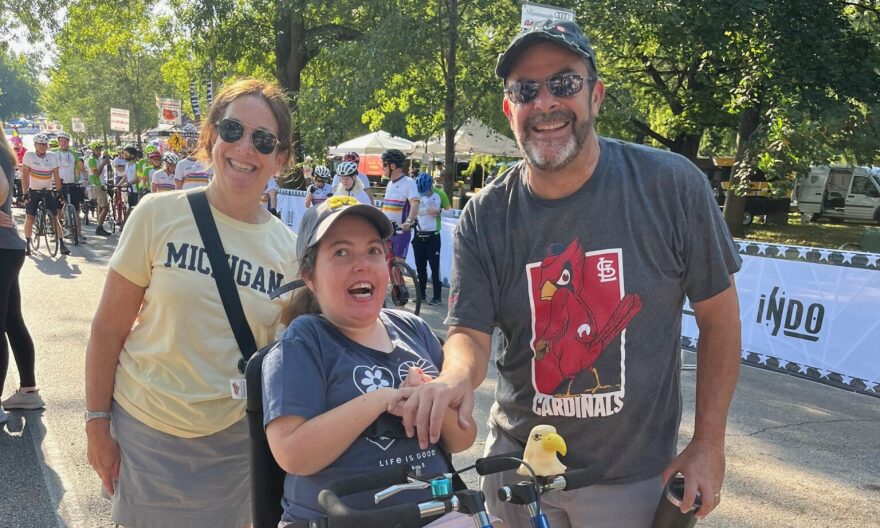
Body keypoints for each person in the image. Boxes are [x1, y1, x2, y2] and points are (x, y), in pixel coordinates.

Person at [394, 19, 742, 528]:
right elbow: (469, 331)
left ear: (596, 95)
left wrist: (709, 443)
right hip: (518, 470)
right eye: (526, 90)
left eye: (563, 83)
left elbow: (721, 319)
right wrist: (451, 381)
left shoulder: (671, 186)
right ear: (510, 109)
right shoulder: (485, 214)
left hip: (630, 480)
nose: (545, 103)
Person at [85, 78, 299, 528]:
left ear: (280, 159)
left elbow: (291, 364)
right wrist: (95, 422)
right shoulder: (156, 214)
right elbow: (108, 328)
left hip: (233, 445)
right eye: (233, 130)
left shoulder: (292, 253)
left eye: (263, 140)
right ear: (211, 137)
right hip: (145, 430)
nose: (245, 148)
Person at [262, 196, 476, 525]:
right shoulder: (305, 341)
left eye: (373, 250)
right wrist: (381, 400)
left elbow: (463, 438)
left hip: (432, 514)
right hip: (335, 519)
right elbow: (293, 454)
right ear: (309, 277)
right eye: (341, 252)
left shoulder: (414, 329)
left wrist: (429, 397)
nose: (361, 264)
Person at [0, 128, 42, 424]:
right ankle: (28, 392)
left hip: (2, 247)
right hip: (8, 246)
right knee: (12, 320)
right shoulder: (5, 152)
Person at [21, 133, 70, 256]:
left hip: (48, 191)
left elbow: (56, 176)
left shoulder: (52, 156)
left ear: (47, 145)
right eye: (39, 144)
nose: (42, 147)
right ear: (35, 145)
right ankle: (27, 243)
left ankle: (62, 244)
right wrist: (25, 193)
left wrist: (59, 192)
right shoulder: (29, 156)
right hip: (33, 190)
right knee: (30, 218)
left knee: (55, 218)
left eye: (44, 144)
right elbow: (25, 176)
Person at [380, 149, 419, 259]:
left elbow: (415, 204)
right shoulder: (389, 184)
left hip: (400, 233)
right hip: (387, 232)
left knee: (396, 269)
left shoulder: (409, 183)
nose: (382, 167)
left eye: (384, 164)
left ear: (392, 166)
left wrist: (408, 222)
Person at [412, 173, 443, 306]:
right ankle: (422, 295)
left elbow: (443, 211)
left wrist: (438, 211)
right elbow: (416, 211)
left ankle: (437, 297)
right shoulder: (416, 195)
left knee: (434, 268)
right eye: (421, 192)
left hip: (433, 236)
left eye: (425, 191)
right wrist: (426, 210)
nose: (423, 194)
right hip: (419, 235)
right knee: (420, 268)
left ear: (431, 187)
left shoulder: (438, 194)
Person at [55, 131, 87, 242]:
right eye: (61, 141)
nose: (63, 143)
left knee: (77, 210)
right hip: (59, 185)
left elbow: (82, 168)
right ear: (59, 142)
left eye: (65, 141)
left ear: (68, 142)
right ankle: (57, 234)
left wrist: (85, 179)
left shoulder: (73, 154)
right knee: (58, 210)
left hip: (72, 184)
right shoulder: (54, 153)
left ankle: (79, 234)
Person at [87, 143, 112, 237]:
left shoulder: (98, 158)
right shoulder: (91, 159)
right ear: (93, 150)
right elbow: (96, 173)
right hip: (96, 185)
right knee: (106, 208)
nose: (99, 151)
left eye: (100, 149)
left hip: (101, 184)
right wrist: (103, 164)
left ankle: (99, 225)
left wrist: (106, 160)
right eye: (97, 150)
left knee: (101, 207)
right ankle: (99, 227)